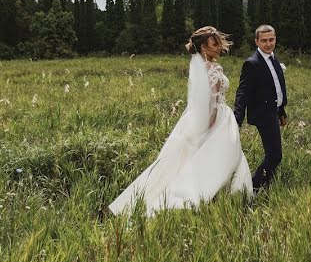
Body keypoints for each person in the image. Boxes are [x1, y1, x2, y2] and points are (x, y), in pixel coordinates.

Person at [108, 27, 252, 216]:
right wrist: (208, 127)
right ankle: (219, 197)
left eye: (219, 43)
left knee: (197, 160)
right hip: (217, 119)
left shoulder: (201, 66)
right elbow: (212, 103)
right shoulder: (215, 68)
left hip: (203, 117)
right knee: (223, 158)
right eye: (214, 44)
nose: (219, 48)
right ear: (203, 47)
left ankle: (207, 196)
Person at [233, 24, 288, 191]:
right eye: (264, 40)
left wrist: (281, 110)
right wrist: (237, 120)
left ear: (275, 39)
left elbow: (277, 87)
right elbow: (243, 93)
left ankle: (263, 184)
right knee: (274, 155)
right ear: (256, 42)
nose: (268, 44)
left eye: (271, 39)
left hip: (273, 112)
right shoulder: (252, 63)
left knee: (273, 155)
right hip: (263, 114)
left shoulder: (273, 58)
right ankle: (254, 187)